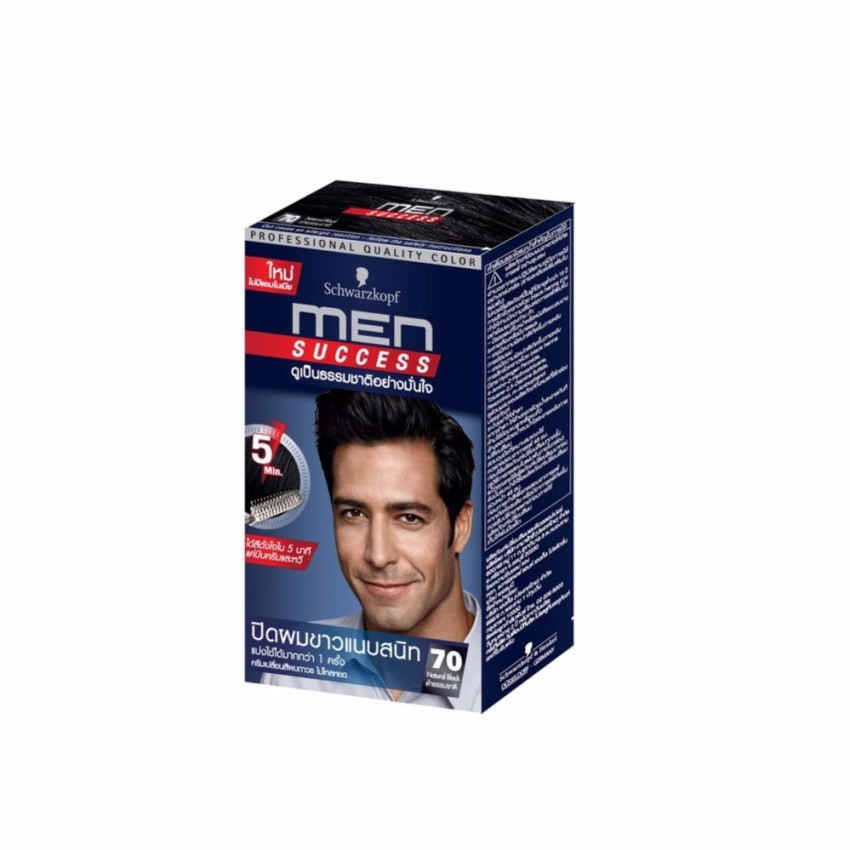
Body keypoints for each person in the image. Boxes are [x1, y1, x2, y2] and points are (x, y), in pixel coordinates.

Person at [262, 390, 481, 710]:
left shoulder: (509, 676)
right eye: (354, 513)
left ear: (460, 527)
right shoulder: (294, 669)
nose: (378, 556)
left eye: (409, 518)